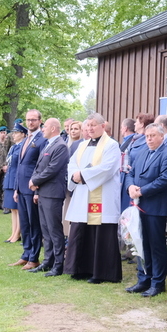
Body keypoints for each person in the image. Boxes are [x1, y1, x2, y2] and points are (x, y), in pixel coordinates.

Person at [126, 123, 167, 296]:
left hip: (155, 208)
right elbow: (130, 173)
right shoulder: (143, 152)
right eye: (147, 136)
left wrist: (142, 191)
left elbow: (165, 180)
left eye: (152, 136)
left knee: (156, 246)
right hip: (139, 205)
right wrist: (130, 187)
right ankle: (144, 279)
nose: (149, 139)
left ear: (161, 136)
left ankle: (157, 283)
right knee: (140, 243)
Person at [65, 113, 123, 284]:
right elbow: (72, 164)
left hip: (101, 195)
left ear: (102, 126)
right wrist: (75, 175)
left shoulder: (112, 145)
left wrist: (82, 175)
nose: (90, 128)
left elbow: (106, 169)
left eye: (93, 125)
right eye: (88, 125)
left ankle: (101, 272)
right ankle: (80, 268)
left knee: (100, 233)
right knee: (80, 230)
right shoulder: (82, 145)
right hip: (83, 194)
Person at [28, 118, 69, 276]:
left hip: (53, 193)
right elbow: (39, 167)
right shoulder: (48, 144)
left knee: (54, 230)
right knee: (46, 230)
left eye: (45, 127)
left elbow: (52, 169)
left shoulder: (60, 146)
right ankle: (47, 261)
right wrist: (36, 189)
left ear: (53, 128)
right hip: (43, 193)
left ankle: (58, 265)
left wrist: (34, 181)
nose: (42, 129)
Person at [12, 111, 45, 270]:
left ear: (40, 121)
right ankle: (26, 254)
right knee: (24, 224)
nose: (30, 123)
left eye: (33, 120)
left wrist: (37, 190)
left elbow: (41, 166)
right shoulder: (26, 139)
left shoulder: (42, 139)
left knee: (34, 224)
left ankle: (34, 258)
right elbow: (20, 165)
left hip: (33, 188)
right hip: (21, 189)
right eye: (28, 120)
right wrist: (16, 188)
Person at [1, 123, 26, 238]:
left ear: (23, 134)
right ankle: (13, 232)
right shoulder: (13, 147)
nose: (13, 135)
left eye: (16, 133)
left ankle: (18, 233)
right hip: (9, 178)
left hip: (16, 179)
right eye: (13, 133)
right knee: (12, 208)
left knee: (18, 208)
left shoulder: (23, 146)